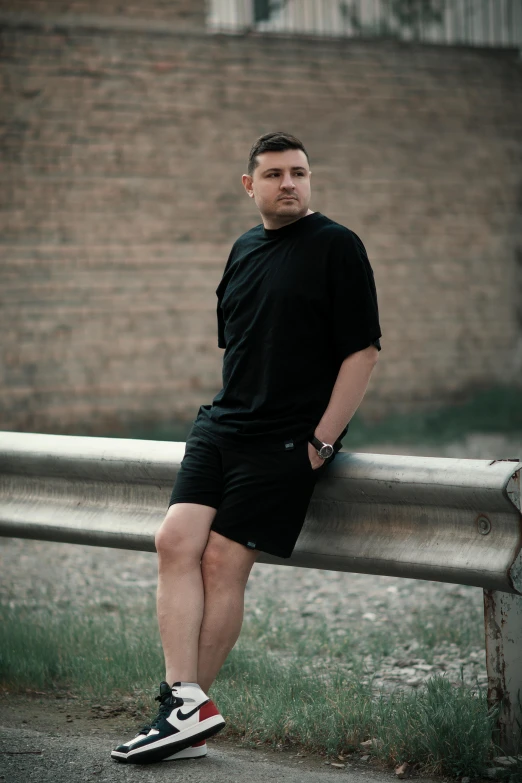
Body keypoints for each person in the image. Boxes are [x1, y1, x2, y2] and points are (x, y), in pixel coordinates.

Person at [111, 131, 381, 765]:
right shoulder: (243, 248)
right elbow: (237, 344)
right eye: (275, 174)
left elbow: (362, 350)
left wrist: (321, 441)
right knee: (174, 542)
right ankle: (186, 704)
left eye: (300, 173)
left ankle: (182, 718)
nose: (290, 183)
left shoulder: (337, 246)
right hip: (223, 424)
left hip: (287, 436)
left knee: (221, 563)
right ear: (250, 185)